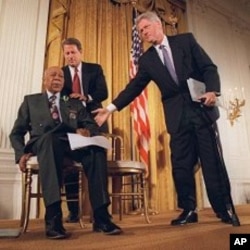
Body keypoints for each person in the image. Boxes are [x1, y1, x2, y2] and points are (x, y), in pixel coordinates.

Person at [93, 11, 240, 226]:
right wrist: (111, 108)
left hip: (201, 111)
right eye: (140, 31)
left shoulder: (186, 41)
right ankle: (189, 209)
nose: (143, 33)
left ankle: (224, 208)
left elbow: (209, 68)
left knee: (212, 162)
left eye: (145, 28)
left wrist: (212, 91)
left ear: (158, 24)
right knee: (181, 165)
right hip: (177, 118)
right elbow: (134, 88)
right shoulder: (147, 60)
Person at [9, 66, 122, 239]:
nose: (57, 78)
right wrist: (20, 153)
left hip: (71, 142)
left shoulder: (73, 102)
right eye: (53, 75)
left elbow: (90, 124)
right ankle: (53, 219)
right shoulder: (31, 101)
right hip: (45, 142)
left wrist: (87, 131)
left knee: (96, 149)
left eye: (61, 76)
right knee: (50, 141)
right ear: (44, 79)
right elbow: (16, 133)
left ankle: (101, 217)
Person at [61, 38, 109, 223]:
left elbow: (103, 92)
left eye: (73, 52)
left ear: (80, 52)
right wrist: (70, 102)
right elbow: (60, 99)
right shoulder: (61, 73)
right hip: (71, 123)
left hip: (94, 119)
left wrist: (85, 97)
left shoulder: (94, 69)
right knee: (71, 167)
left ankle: (99, 212)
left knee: (97, 162)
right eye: (67, 53)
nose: (70, 56)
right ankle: (74, 211)